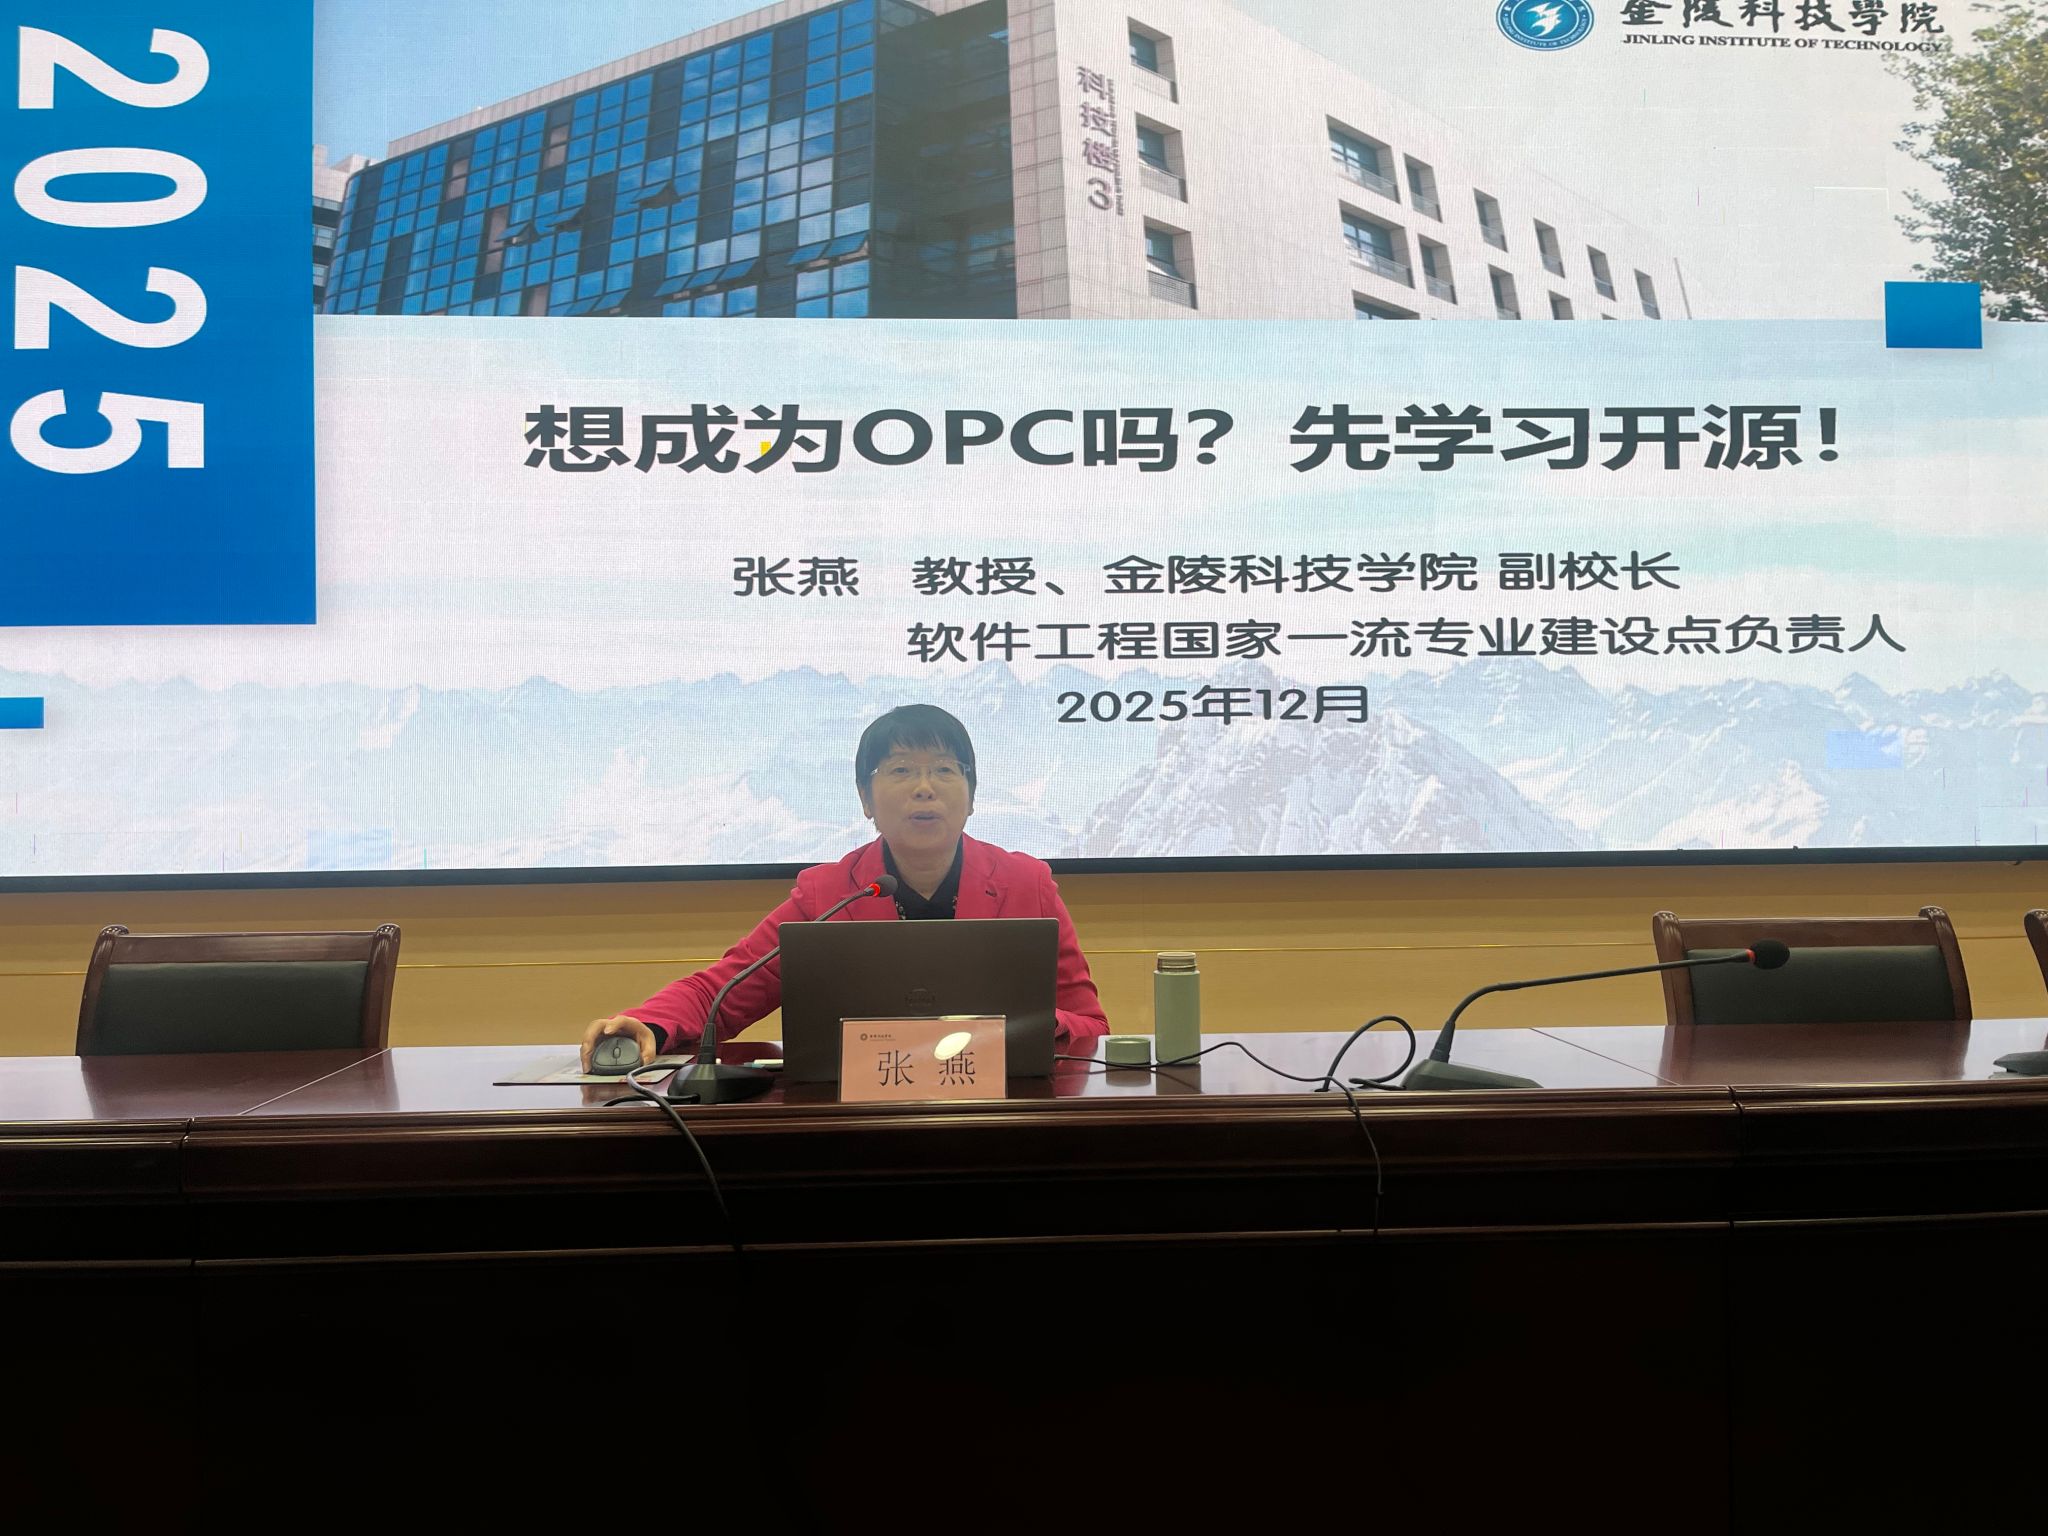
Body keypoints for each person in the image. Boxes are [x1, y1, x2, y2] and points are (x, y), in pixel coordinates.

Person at [580, 704, 1109, 1069]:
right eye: (901, 770)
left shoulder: (1026, 884)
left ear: (971, 796)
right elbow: (721, 991)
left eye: (946, 770)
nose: (925, 788)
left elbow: (1090, 1025)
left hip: (1000, 1109)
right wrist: (648, 1023)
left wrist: (1027, 1025)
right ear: (864, 798)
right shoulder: (829, 893)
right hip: (860, 1113)